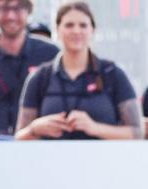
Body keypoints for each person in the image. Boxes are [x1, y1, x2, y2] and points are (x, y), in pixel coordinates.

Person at [14, 2, 140, 140]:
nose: (76, 31)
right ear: (57, 30)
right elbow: (18, 138)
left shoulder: (112, 74)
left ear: (92, 30)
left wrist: (95, 128)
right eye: (69, 25)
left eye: (83, 25)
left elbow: (137, 133)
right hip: (51, 160)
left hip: (102, 160)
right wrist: (34, 129)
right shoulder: (40, 77)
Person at [0, 0, 58, 140]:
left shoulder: (50, 54)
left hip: (40, 146)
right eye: (4, 8)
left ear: (29, 11)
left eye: (18, 8)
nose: (11, 16)